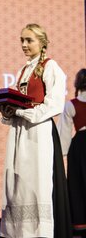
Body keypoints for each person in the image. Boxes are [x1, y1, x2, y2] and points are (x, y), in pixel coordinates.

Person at [0, 24, 71, 238]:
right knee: (19, 183)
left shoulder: (51, 67)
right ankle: (21, 232)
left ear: (42, 43)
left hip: (39, 133)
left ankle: (40, 232)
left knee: (36, 182)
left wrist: (22, 113)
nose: (24, 44)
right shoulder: (23, 70)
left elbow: (55, 104)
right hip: (21, 133)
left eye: (29, 40)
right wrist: (8, 110)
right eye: (22, 40)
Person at [59, 68, 86, 237]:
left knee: (78, 185)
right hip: (80, 146)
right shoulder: (71, 104)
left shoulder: (71, 104)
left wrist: (61, 154)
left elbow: (64, 135)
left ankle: (81, 225)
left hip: (80, 147)